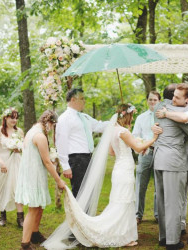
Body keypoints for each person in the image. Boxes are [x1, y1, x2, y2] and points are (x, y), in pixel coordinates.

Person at [43, 104, 160, 249]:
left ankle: (123, 234)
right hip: (125, 170)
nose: (132, 119)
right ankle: (122, 236)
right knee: (125, 201)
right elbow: (137, 148)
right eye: (132, 116)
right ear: (127, 116)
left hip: (119, 168)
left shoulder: (113, 131)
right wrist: (153, 138)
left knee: (119, 201)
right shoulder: (123, 131)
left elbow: (112, 152)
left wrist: (130, 147)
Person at [152, 84, 188, 250]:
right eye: (174, 96)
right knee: (175, 200)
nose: (173, 100)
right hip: (175, 160)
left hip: (180, 158)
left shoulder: (164, 109)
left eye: (177, 97)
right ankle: (175, 235)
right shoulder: (174, 110)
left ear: (187, 100)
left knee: (169, 199)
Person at [15, 110, 66, 250]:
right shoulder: (39, 136)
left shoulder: (33, 129)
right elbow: (47, 162)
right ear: (49, 123)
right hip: (33, 175)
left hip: (34, 173)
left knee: (39, 206)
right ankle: (25, 244)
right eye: (53, 126)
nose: (52, 130)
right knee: (33, 208)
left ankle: (35, 234)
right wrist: (59, 180)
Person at [56, 88, 109, 198]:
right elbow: (61, 143)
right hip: (76, 159)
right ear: (73, 100)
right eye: (82, 98)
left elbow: (99, 126)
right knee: (80, 192)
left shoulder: (84, 117)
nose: (84, 101)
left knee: (89, 192)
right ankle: (79, 215)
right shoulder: (64, 118)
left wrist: (117, 119)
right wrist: (65, 166)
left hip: (88, 158)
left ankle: (87, 215)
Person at [0, 107, 24, 227]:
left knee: (18, 187)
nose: (14, 120)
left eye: (16, 117)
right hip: (2, 164)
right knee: (3, 189)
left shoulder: (19, 131)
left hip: (16, 162)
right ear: (5, 118)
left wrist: (18, 148)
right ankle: (2, 214)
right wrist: (1, 162)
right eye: (12, 117)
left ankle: (20, 218)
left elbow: (23, 147)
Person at [132, 90, 161, 224]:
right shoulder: (141, 117)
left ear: (159, 101)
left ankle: (158, 214)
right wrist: (141, 146)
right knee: (140, 185)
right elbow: (135, 135)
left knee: (159, 185)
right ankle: (138, 215)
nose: (152, 102)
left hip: (160, 153)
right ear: (147, 100)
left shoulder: (164, 117)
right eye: (150, 99)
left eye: (155, 100)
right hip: (145, 153)